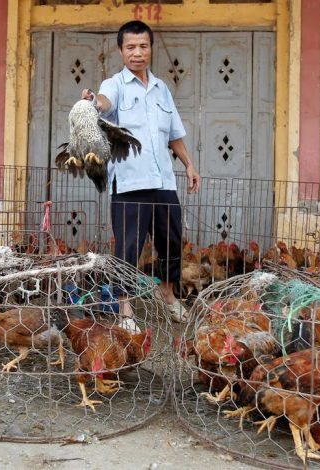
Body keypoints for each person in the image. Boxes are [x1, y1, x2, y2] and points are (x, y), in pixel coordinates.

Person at [82, 20, 200, 322]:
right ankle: (125, 308)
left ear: (151, 49)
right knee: (129, 248)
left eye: (143, 46)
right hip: (131, 183)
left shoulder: (162, 90)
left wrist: (188, 165)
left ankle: (168, 294)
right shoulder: (115, 85)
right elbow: (104, 103)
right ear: (121, 51)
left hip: (163, 181)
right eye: (131, 47)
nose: (138, 53)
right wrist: (93, 102)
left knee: (171, 242)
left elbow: (173, 133)